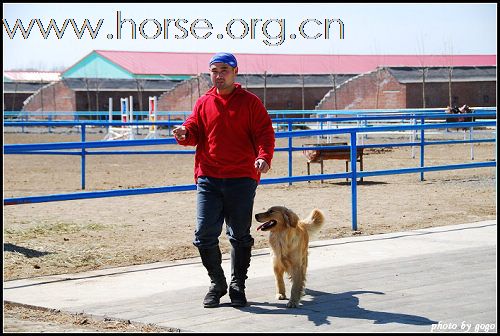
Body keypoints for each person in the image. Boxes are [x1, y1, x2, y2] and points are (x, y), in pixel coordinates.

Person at [173, 52, 275, 308]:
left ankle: (237, 284)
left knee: (239, 235)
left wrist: (263, 157)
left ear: (235, 72)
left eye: (224, 71)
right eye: (214, 71)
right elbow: (194, 129)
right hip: (209, 178)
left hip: (242, 177)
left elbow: (265, 133)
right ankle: (217, 283)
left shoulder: (250, 103)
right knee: (204, 234)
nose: (219, 75)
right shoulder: (203, 102)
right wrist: (185, 132)